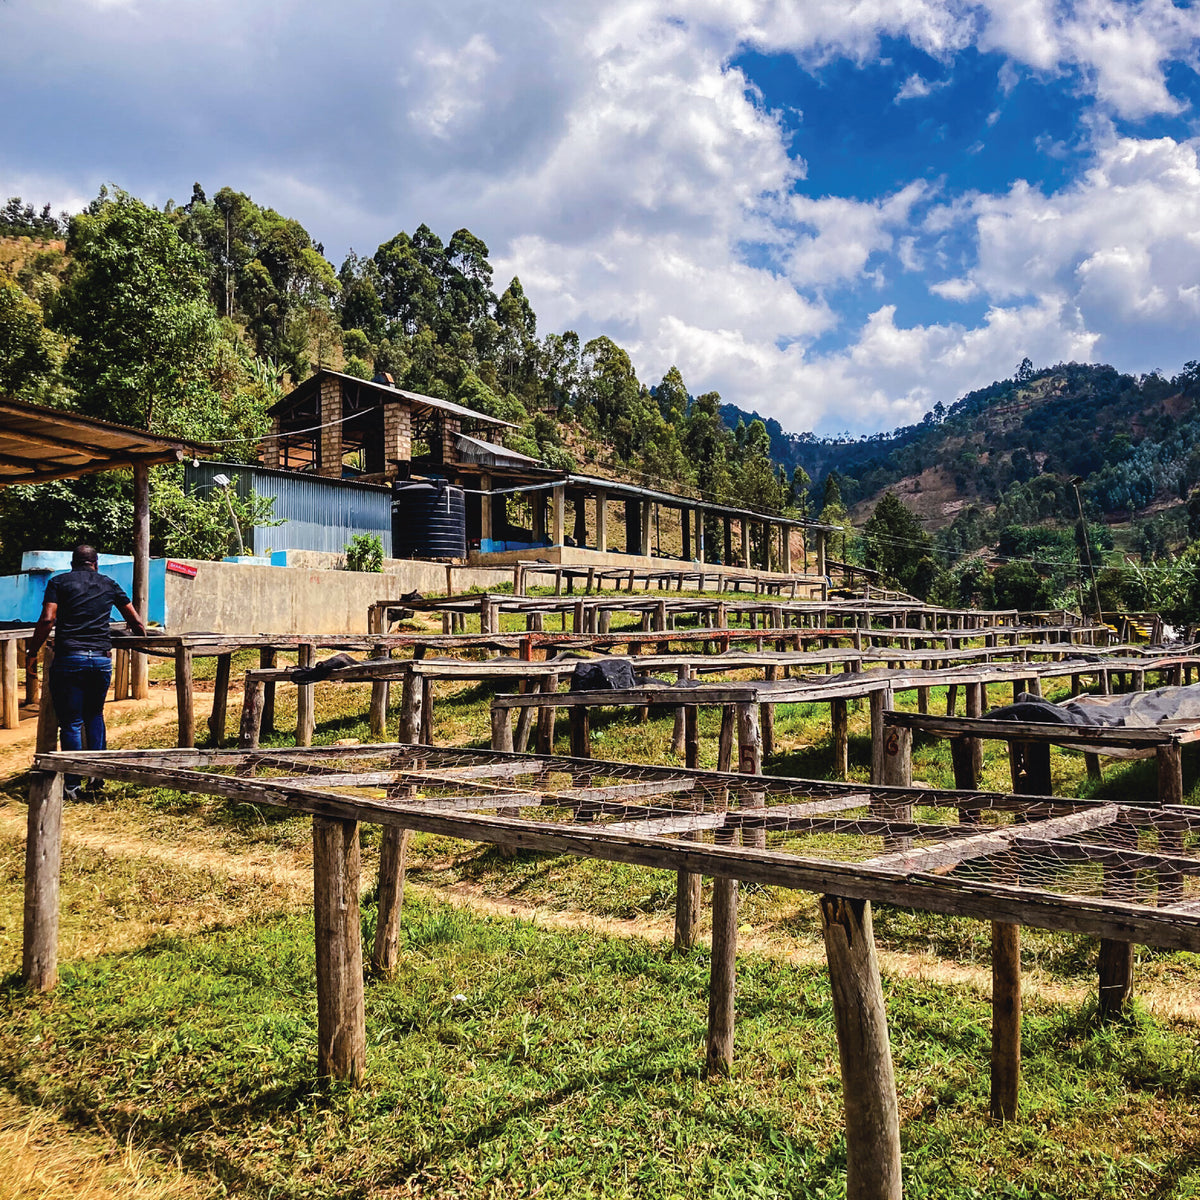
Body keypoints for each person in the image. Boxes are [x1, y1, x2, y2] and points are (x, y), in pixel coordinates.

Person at [26, 544, 147, 797]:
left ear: (72, 564)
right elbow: (135, 620)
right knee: (95, 715)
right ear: (96, 563)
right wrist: (143, 638)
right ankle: (97, 774)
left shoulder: (58, 583)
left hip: (70, 658)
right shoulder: (109, 583)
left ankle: (72, 785)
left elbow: (48, 618)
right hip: (101, 660)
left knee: (71, 721)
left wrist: (32, 651)